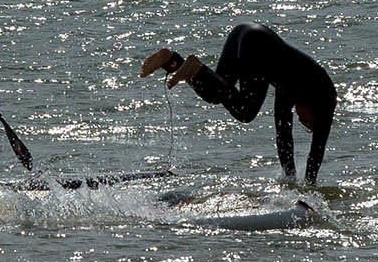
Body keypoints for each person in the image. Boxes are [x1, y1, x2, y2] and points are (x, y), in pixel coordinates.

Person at [141, 22, 337, 186]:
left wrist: (290, 179)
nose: (302, 121)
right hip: (259, 46)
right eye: (308, 122)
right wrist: (306, 186)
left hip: (244, 33)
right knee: (245, 112)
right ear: (317, 111)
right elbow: (312, 150)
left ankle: (174, 61)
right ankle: (193, 69)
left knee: (215, 93)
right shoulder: (323, 95)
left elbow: (283, 134)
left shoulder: (293, 89)